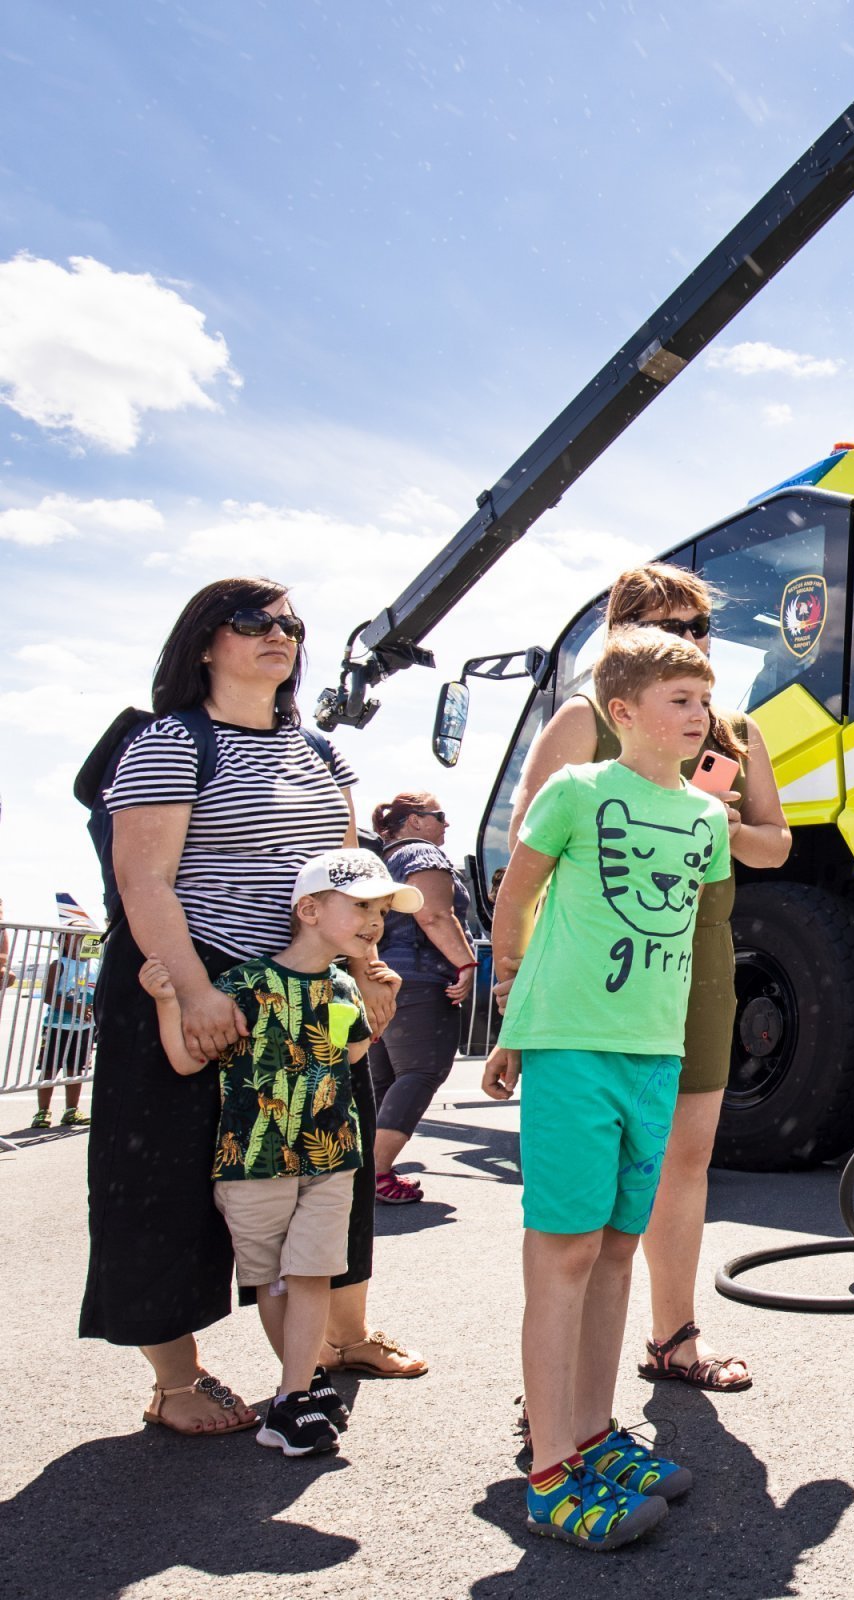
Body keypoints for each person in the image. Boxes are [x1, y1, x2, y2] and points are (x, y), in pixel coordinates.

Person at [85, 577, 418, 1438]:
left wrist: (368, 967)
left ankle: (339, 1342)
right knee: (162, 1177)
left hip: (309, 988)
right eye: (252, 621)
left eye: (290, 625)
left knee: (329, 1165)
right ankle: (176, 1380)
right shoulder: (170, 741)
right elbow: (144, 880)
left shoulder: (319, 749)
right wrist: (194, 990)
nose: (279, 634)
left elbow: (350, 876)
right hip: (193, 974)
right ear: (204, 642)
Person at [506, 562, 789, 1395]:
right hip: (594, 968)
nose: (695, 642)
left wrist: (718, 818)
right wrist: (514, 983)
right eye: (673, 627)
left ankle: (674, 1339)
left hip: (698, 954)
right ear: (624, 640)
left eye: (701, 627)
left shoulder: (733, 730)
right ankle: (559, 1384)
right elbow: (532, 841)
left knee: (685, 1156)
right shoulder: (584, 718)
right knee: (578, 1192)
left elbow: (777, 843)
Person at [482, 627, 731, 1551]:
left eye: (703, 700)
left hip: (653, 1055)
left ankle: (591, 1436)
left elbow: (686, 931)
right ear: (622, 712)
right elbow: (519, 896)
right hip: (572, 1048)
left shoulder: (707, 823)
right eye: (680, 699)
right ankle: (549, 1471)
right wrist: (509, 1003)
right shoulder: (577, 791)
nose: (699, 714)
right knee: (563, 1256)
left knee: (620, 1249)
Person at [143, 849, 415, 1457]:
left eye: (380, 911)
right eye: (363, 906)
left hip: (332, 1157)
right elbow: (190, 1059)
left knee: (312, 1270)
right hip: (253, 1160)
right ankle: (301, 1389)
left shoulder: (346, 984)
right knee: (274, 1280)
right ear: (310, 909)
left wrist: (382, 1014)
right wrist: (168, 1003)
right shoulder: (242, 983)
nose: (375, 922)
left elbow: (343, 1061)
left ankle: (293, 1396)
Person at [365, 792, 477, 1203]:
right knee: (421, 1073)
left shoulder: (381, 860)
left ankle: (362, 1172)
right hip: (421, 980)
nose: (445, 824)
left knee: (386, 1079)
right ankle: (377, 1174)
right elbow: (433, 914)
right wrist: (466, 965)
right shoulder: (420, 854)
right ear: (413, 821)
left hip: (383, 978)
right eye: (439, 816)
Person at [33, 933, 99, 1128]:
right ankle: (42, 1111)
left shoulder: (95, 965)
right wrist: (74, 1008)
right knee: (49, 1068)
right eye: (78, 935)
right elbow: (48, 995)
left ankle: (71, 1110)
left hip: (84, 1027)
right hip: (57, 1026)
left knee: (76, 1068)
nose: (85, 938)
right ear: (65, 941)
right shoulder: (59, 965)